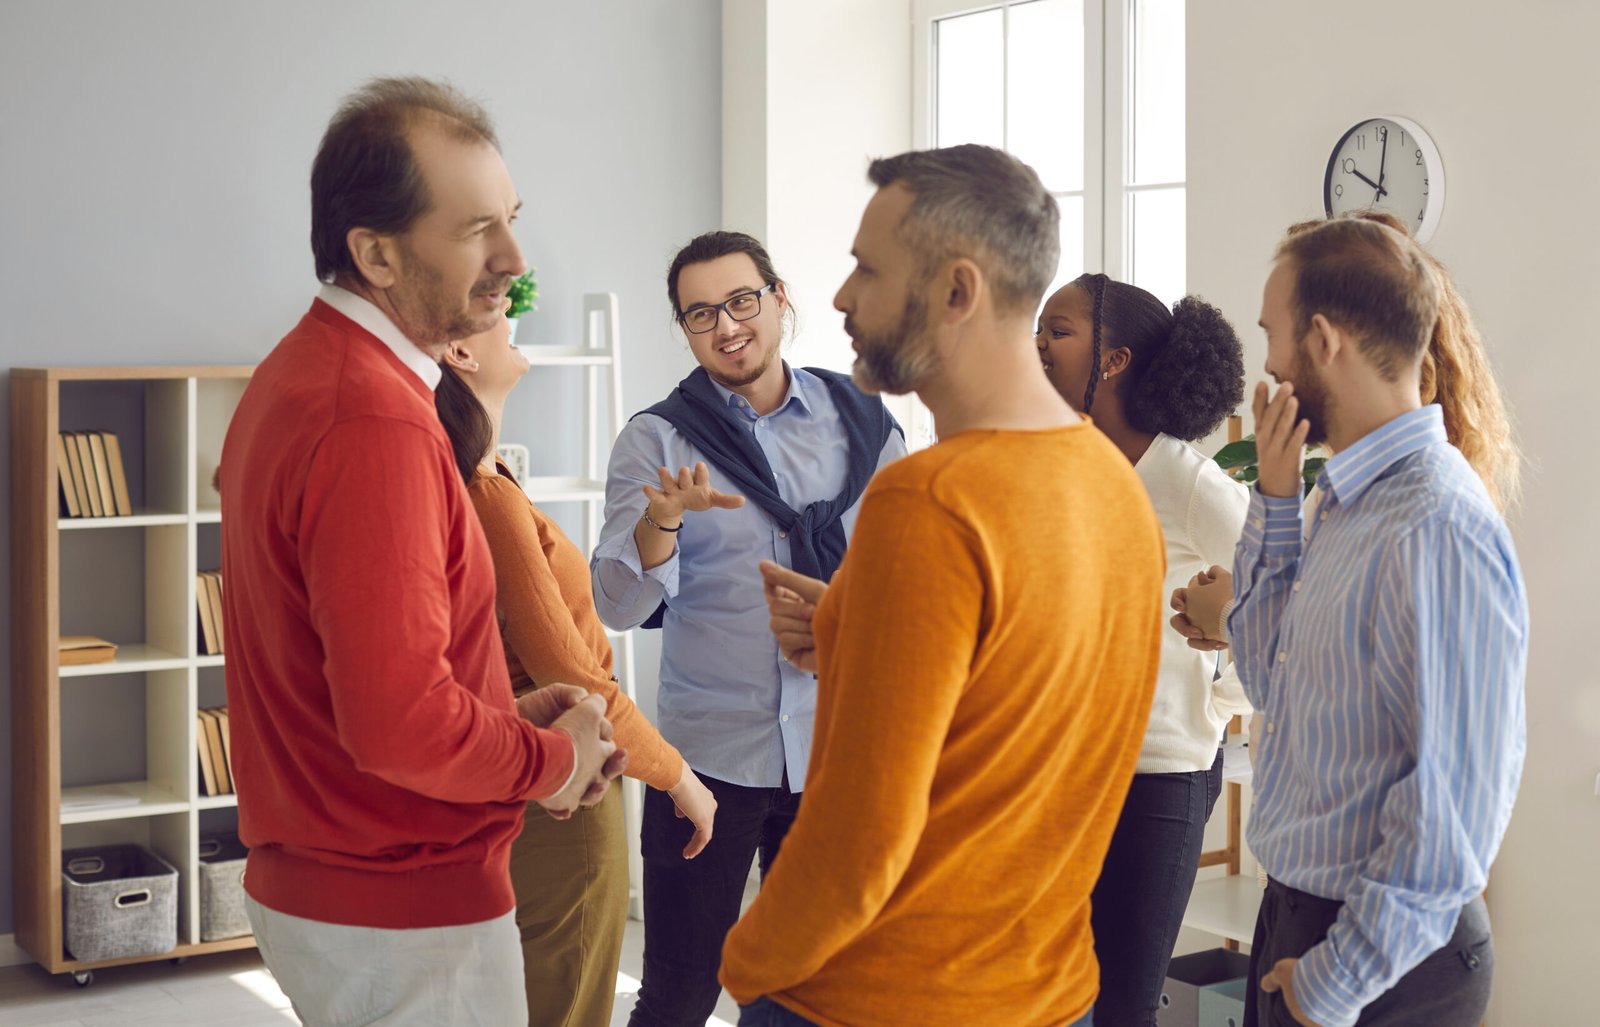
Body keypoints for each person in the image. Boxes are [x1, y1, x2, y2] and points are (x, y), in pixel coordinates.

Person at [719, 144, 1167, 1027]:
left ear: (958, 292)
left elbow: (858, 843)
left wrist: (743, 962)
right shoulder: (1115, 483)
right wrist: (850, 625)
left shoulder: (927, 500)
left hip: (875, 999)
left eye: (866, 269)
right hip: (1046, 993)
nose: (841, 296)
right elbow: (1017, 714)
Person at [219, 77, 623, 1026]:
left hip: (344, 886)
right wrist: (548, 762)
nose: (516, 259)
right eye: (478, 229)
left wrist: (510, 715)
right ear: (376, 253)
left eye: (512, 219)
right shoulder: (374, 422)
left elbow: (359, 681)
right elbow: (399, 724)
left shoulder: (306, 374)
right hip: (402, 912)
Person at [1198, 218, 1526, 1026]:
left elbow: (1453, 810)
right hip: (1304, 923)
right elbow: (1273, 679)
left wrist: (1336, 980)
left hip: (1379, 960)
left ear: (1322, 338)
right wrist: (1273, 504)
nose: (1270, 363)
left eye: (1273, 333)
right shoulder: (1347, 501)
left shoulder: (1435, 522)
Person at [591, 230, 905, 1027]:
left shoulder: (864, 422)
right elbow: (616, 606)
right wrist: (659, 524)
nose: (727, 327)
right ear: (686, 331)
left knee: (821, 993)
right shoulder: (658, 440)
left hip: (837, 757)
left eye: (740, 301)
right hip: (709, 762)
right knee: (678, 993)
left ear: (778, 297)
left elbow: (906, 581)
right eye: (701, 315)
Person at [434, 311, 719, 1026]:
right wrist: (681, 778)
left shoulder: (475, 477)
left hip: (527, 776)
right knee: (568, 1007)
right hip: (563, 792)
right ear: (460, 351)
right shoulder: (487, 495)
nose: (511, 315)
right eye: (495, 309)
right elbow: (576, 677)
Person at [1035, 272, 1251, 1025]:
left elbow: (1282, 602)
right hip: (1065, 772)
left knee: (1124, 1005)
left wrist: (1212, 709)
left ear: (1116, 358)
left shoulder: (1191, 484)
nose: (1038, 345)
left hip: (1158, 779)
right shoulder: (1064, 466)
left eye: (1056, 330)